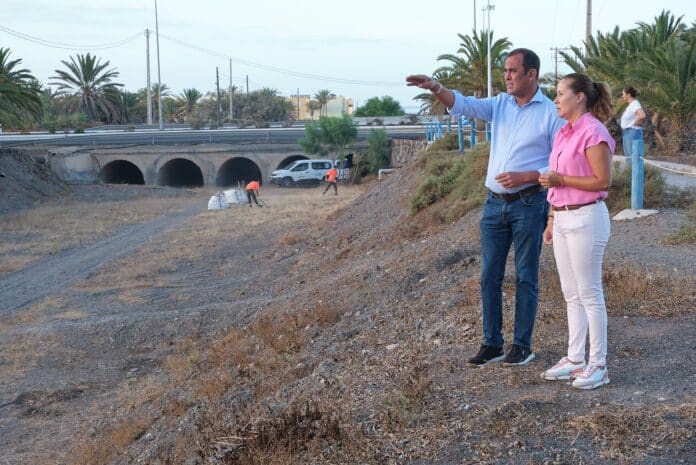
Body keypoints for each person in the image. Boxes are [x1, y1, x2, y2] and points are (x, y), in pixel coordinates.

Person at [407, 48, 564, 367]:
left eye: (512, 71)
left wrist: (526, 176)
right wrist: (437, 88)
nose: (506, 76)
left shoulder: (551, 113)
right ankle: (492, 344)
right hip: (494, 206)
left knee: (525, 276)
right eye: (505, 70)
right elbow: (465, 105)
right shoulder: (500, 105)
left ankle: (522, 345)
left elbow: (559, 166)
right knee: (488, 276)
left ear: (531, 74)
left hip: (529, 204)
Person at [538, 73, 614, 390]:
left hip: (587, 218)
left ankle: (598, 364)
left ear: (579, 96)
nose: (555, 99)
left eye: (560, 94)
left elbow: (602, 181)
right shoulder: (563, 133)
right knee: (571, 293)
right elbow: (557, 179)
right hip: (565, 218)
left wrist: (561, 182)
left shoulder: (593, 131)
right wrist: (553, 218)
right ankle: (575, 358)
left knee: (589, 293)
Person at [620, 86, 646, 158]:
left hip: (632, 132)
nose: (622, 96)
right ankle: (630, 169)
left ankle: (634, 170)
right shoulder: (631, 105)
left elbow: (642, 115)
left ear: (628, 95)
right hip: (627, 132)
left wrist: (636, 123)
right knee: (629, 157)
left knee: (633, 158)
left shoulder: (635, 104)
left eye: (623, 94)